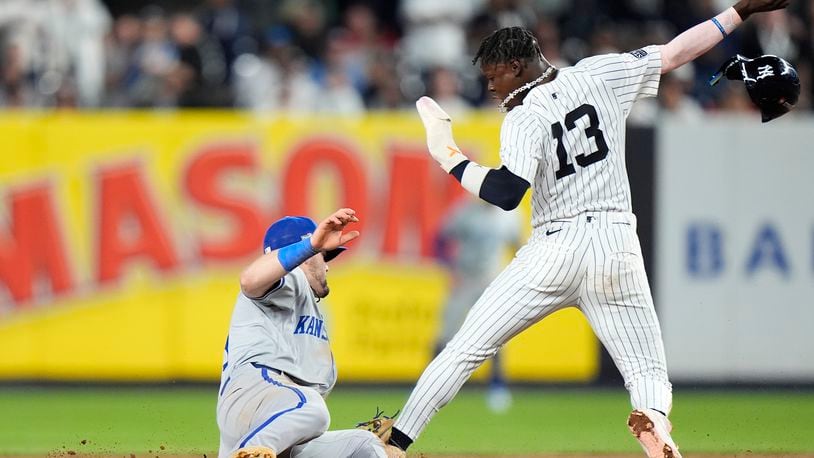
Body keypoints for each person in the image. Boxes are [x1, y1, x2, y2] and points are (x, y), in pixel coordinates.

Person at [386, 1, 791, 457]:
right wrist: (739, 11)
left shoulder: (523, 115)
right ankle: (655, 421)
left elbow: (505, 193)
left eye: (495, 76)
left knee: (464, 349)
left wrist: (450, 158)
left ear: (517, 67)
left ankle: (396, 443)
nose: (492, 87)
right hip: (616, 242)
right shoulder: (600, 73)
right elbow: (676, 52)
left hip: (554, 249)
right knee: (647, 373)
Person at [217, 208, 402, 458]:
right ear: (303, 255)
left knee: (366, 445)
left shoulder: (314, 317)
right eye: (323, 256)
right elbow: (250, 280)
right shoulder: (292, 279)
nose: (327, 267)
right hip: (253, 393)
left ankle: (253, 450)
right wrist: (312, 245)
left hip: (279, 418)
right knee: (313, 408)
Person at [433, 199, 521, 413]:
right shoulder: (465, 211)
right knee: (446, 333)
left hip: (491, 280)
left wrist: (515, 276)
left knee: (496, 333)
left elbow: (519, 247)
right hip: (464, 279)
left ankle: (497, 387)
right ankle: (431, 386)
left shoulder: (508, 214)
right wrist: (450, 269)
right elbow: (439, 239)